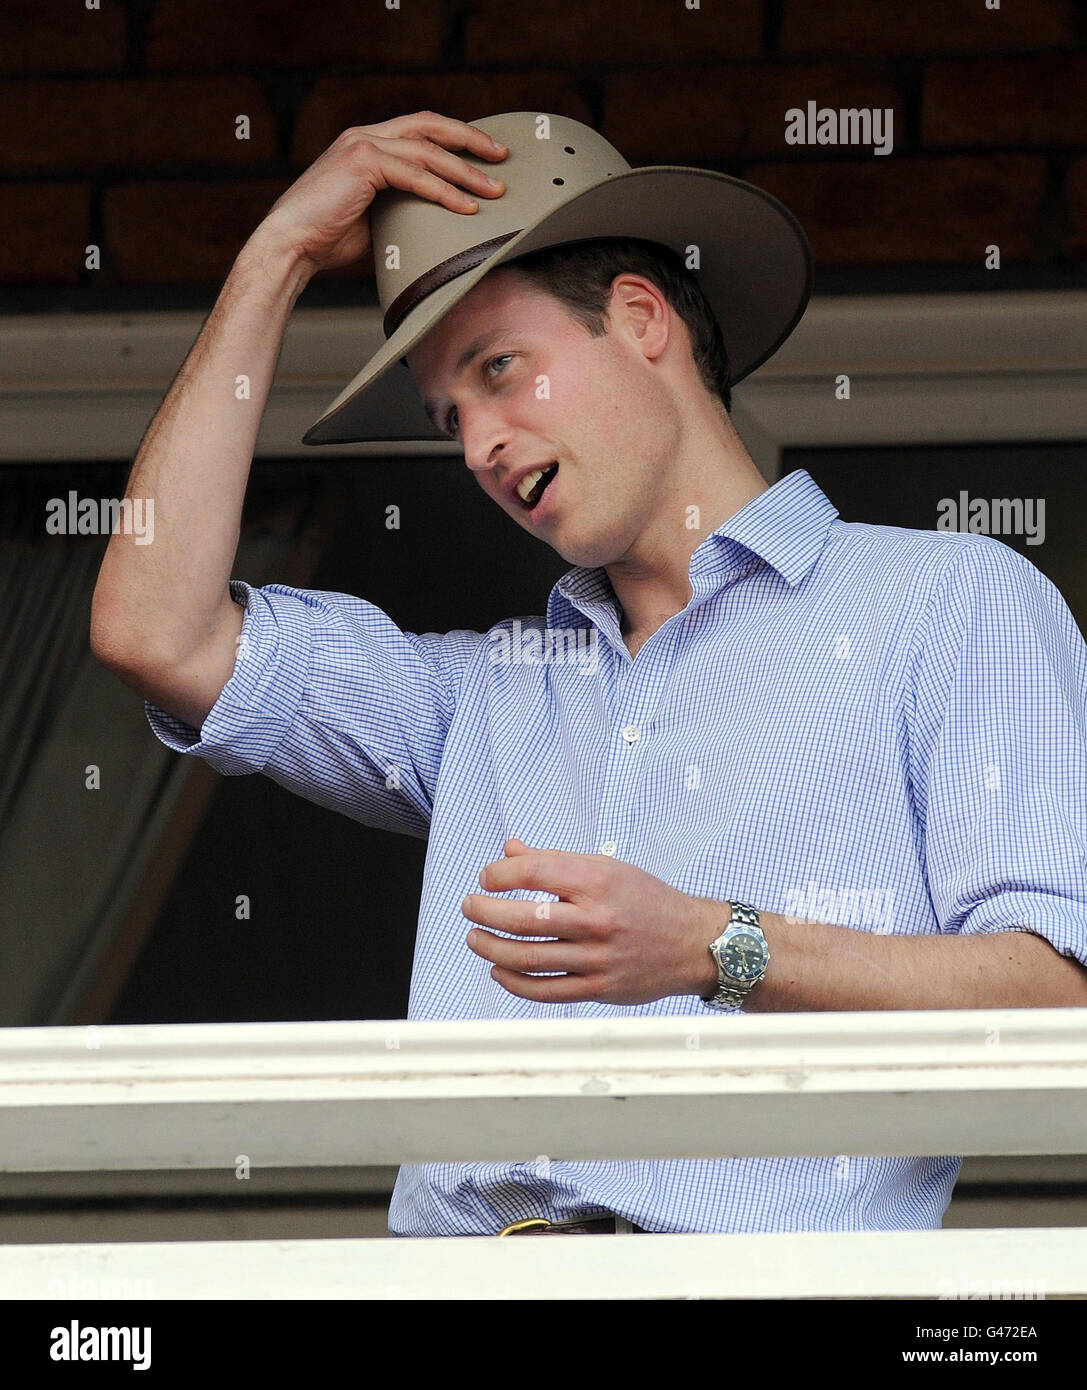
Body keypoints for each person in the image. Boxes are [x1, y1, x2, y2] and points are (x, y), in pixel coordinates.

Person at [91, 110, 1087, 1238]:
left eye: (501, 369)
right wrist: (269, 258)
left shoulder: (945, 604)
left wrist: (714, 946)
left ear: (639, 318)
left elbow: (1059, 1002)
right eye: (449, 415)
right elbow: (153, 632)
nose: (477, 443)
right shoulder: (487, 696)